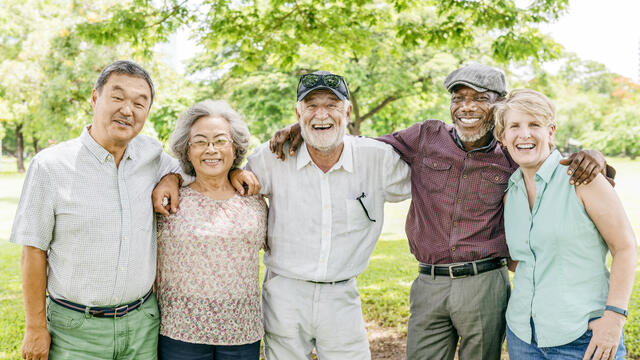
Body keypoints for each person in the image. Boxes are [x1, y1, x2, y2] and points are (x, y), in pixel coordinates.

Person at [268, 63, 612, 360]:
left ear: (500, 104)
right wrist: (304, 129)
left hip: (485, 282)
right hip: (428, 283)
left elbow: (553, 155)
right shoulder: (425, 136)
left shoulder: (511, 151)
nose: (467, 107)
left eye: (480, 98)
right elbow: (360, 147)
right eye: (459, 98)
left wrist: (593, 154)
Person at [153, 71, 411, 359]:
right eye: (311, 105)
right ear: (298, 112)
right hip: (284, 293)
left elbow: (429, 180)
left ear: (348, 111)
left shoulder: (377, 159)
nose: (321, 114)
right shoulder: (272, 157)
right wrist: (173, 178)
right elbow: (216, 171)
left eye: (332, 105)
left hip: (342, 295)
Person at [493, 89, 637, 360]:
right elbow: (520, 260)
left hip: (583, 337)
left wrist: (615, 318)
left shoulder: (582, 179)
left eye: (534, 124)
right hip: (523, 335)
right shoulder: (509, 193)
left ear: (550, 131)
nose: (524, 134)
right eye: (514, 126)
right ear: (503, 137)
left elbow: (626, 247)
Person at [155, 99, 267, 359]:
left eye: (220, 141)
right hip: (180, 333)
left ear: (235, 147)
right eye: (200, 141)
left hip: (242, 333)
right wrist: (172, 177)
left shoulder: (253, 200)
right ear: (187, 149)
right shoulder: (170, 199)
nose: (211, 149)